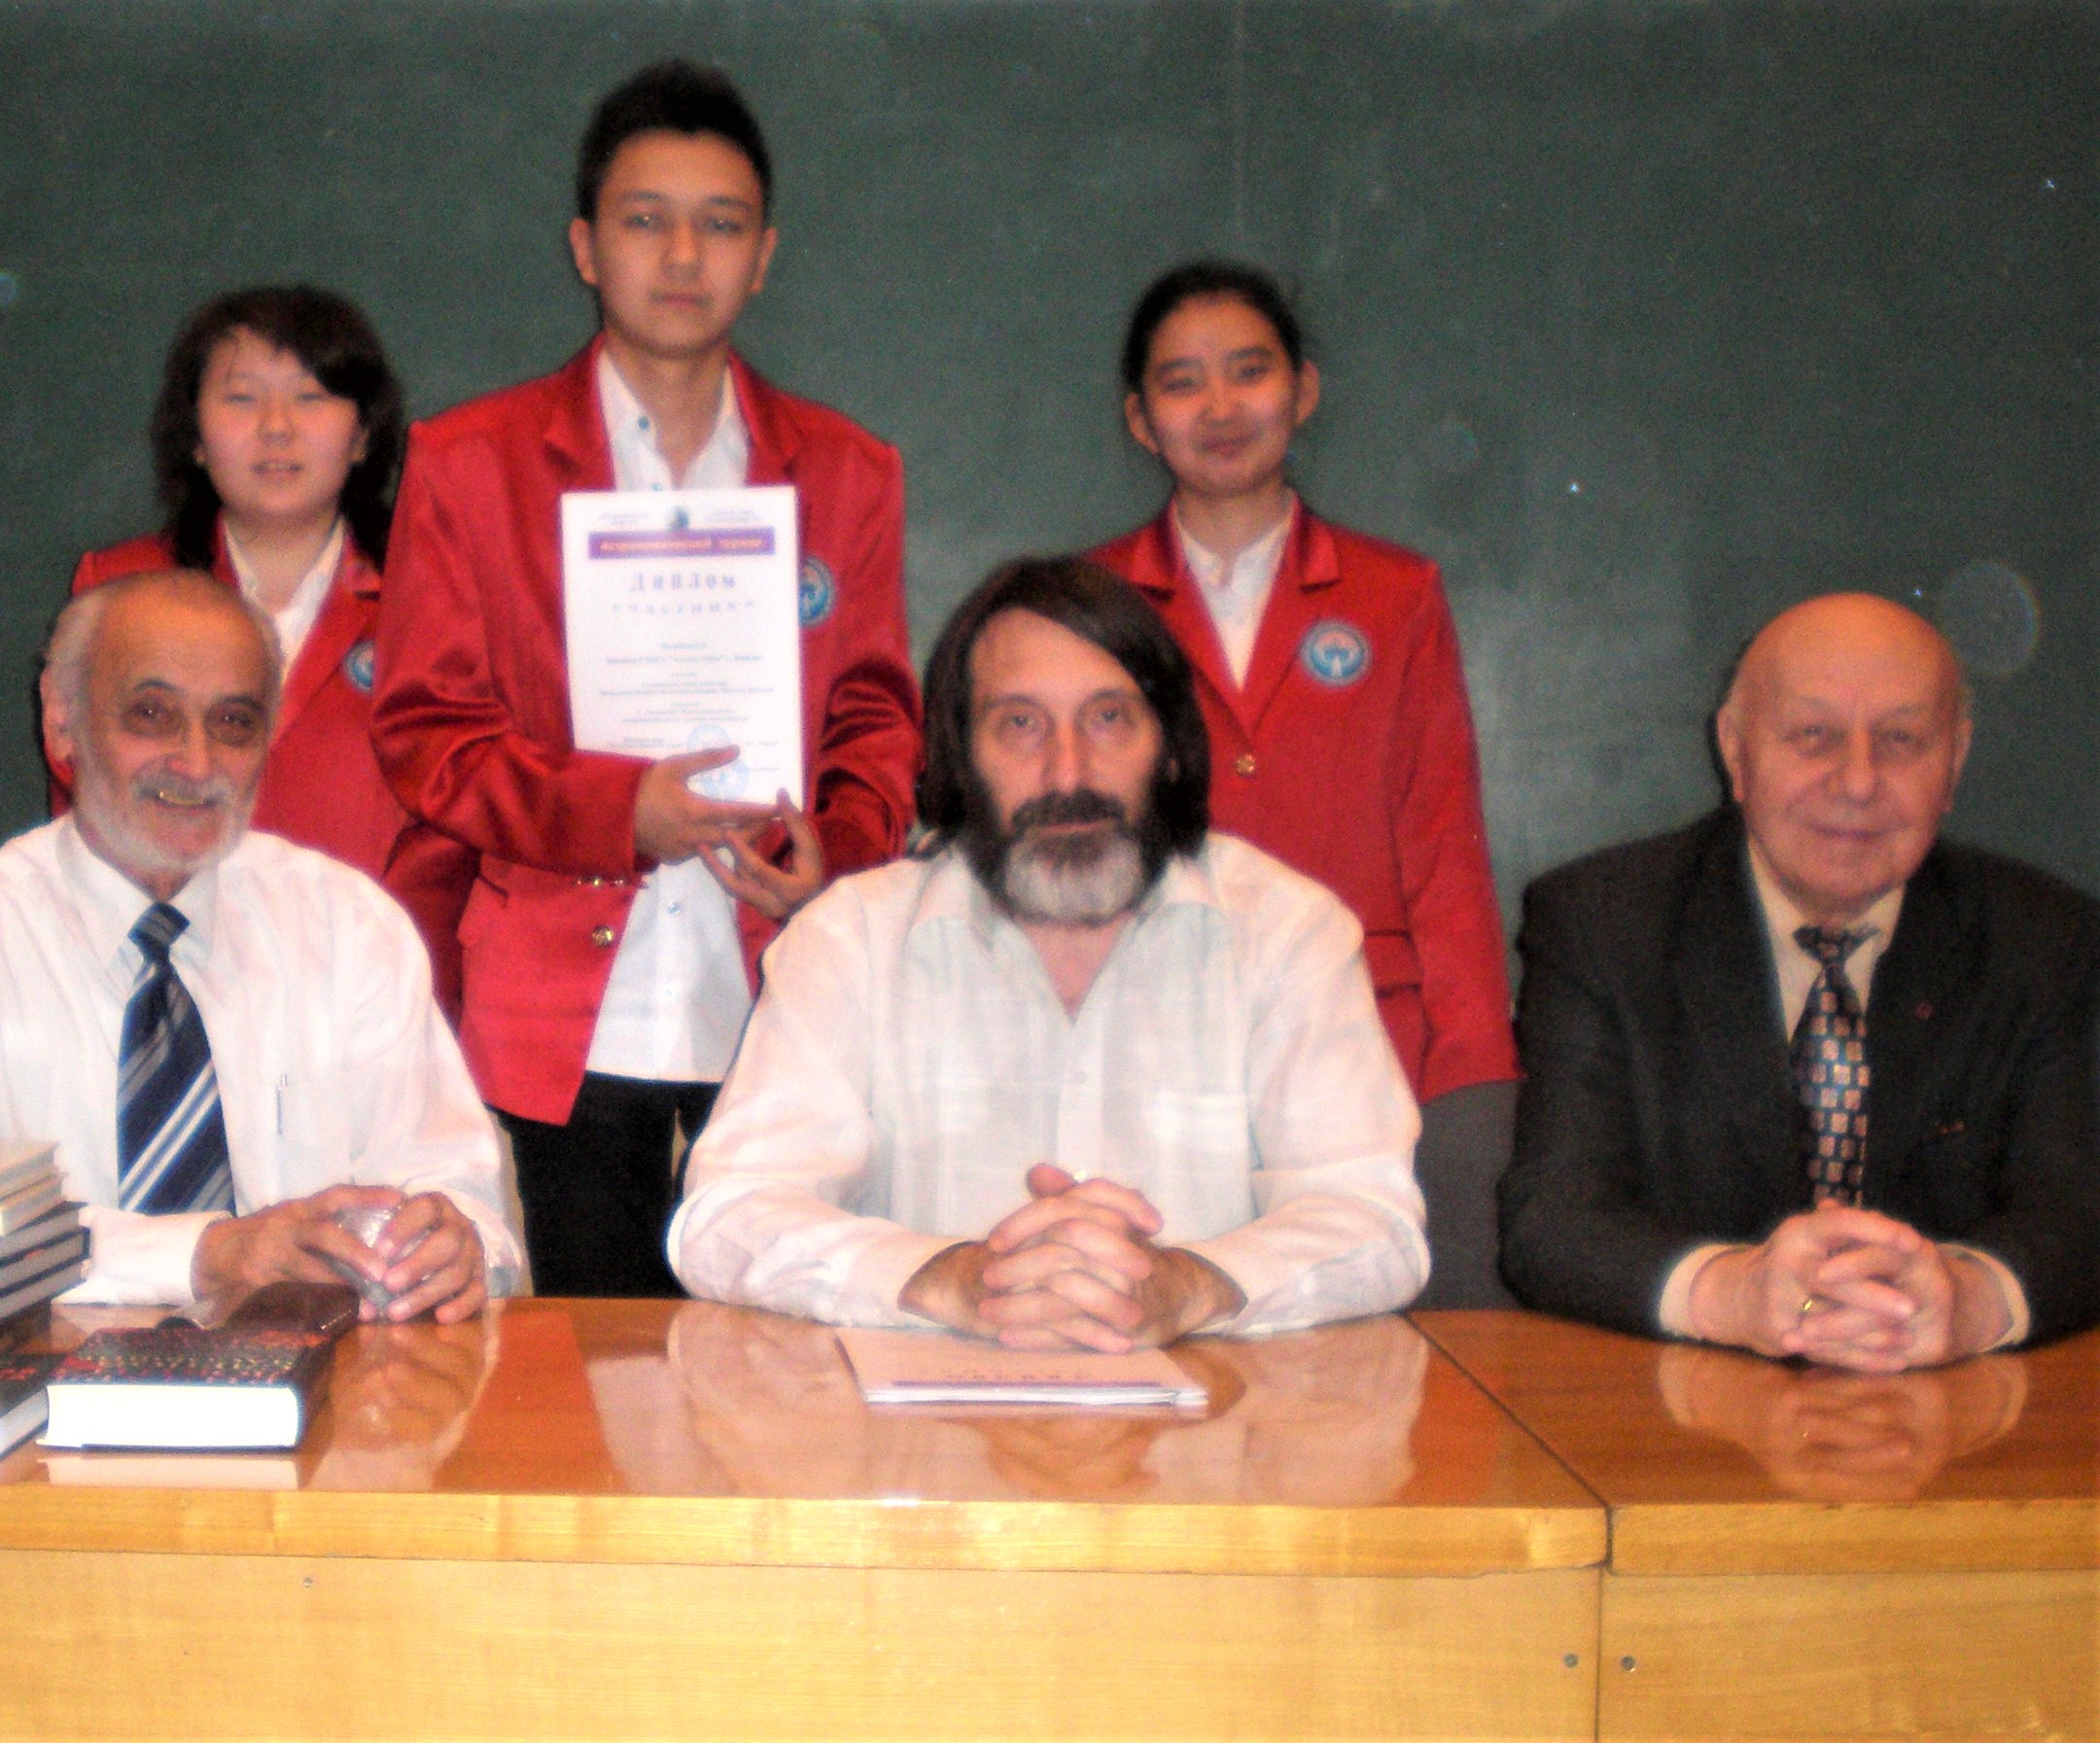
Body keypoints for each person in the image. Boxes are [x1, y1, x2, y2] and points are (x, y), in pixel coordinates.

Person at [372, 60, 920, 1297]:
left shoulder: (847, 470)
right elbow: (426, 730)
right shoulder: (471, 463)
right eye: (644, 219)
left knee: (770, 1364)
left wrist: (838, 846)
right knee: (584, 1372)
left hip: (779, 987)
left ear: (764, 255)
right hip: (559, 1008)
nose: (682, 255)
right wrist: (617, 811)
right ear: (585, 246)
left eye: (720, 224)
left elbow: (878, 717)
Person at [670, 556, 1426, 1345]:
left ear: (1170, 746)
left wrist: (1190, 1286)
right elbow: (727, 1214)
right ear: (962, 758)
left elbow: (1372, 1220)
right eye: (1021, 724)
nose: (1068, 771)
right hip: (922, 1417)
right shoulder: (849, 938)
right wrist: (952, 1278)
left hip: (1214, 1415)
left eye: (1109, 718)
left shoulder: (1288, 933)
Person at [0, 570, 521, 1318]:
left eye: (233, 722)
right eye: (152, 714)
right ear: (62, 719)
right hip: (40, 1379)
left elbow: (465, 1194)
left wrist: (455, 1241)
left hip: (324, 1382)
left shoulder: (351, 928)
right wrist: (207, 1255)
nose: (197, 763)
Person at [1500, 593, 2100, 1370]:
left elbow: (2079, 1214)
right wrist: (1733, 1293)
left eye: (1901, 739)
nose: (1858, 781)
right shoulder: (1603, 924)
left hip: (1952, 1409)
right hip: (1675, 1404)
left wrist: (1969, 1299)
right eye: (1814, 735)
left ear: (1953, 763)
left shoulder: (2046, 940)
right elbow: (1552, 1218)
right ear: (1735, 749)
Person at [1084, 261, 1517, 1307]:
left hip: (1370, 1046)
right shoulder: (1089, 602)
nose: (1220, 407)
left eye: (1250, 371)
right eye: (1182, 382)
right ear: (1141, 419)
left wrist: (1474, 1081)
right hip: (1156, 1039)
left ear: (1303, 389)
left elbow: (1444, 851)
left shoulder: (1395, 593)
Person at [59, 286, 475, 1015]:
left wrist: (365, 965)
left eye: (311, 398)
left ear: (363, 434)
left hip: (373, 989)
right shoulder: (120, 591)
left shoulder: (437, 597)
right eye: (242, 398)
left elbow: (456, 822)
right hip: (164, 987)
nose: (277, 428)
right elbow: (86, 805)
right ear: (195, 435)